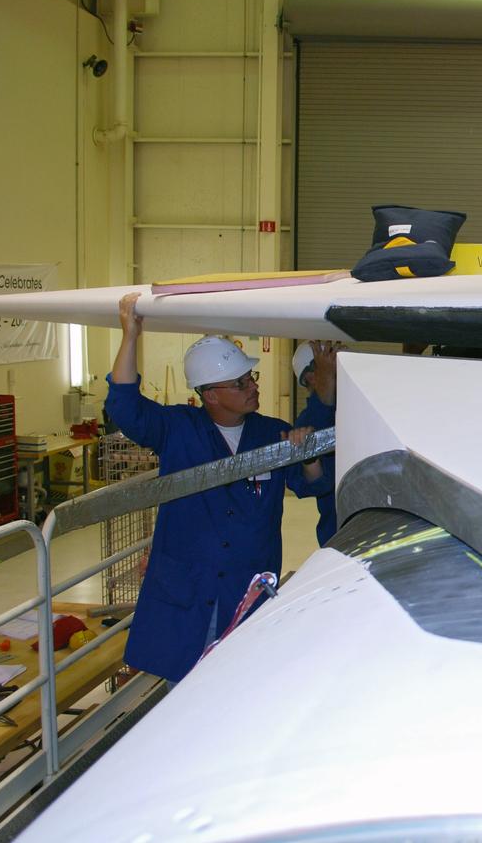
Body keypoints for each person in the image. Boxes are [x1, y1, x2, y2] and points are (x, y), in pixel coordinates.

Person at [106, 292, 330, 683]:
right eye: (240, 382)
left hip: (245, 594)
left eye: (251, 378)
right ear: (209, 394)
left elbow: (311, 485)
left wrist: (308, 456)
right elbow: (125, 407)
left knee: (239, 689)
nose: (252, 386)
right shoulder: (179, 430)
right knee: (181, 692)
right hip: (189, 591)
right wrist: (130, 335)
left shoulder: (271, 433)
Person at [292, 340, 340, 546]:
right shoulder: (306, 425)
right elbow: (313, 485)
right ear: (312, 376)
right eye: (333, 361)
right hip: (340, 533)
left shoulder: (355, 404)